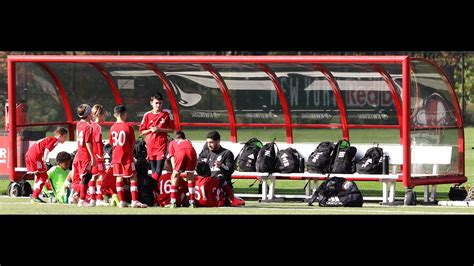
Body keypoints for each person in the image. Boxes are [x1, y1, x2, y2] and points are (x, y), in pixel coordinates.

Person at [109, 105, 147, 208]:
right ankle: (134, 201)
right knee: (133, 177)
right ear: (124, 114)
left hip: (116, 157)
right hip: (126, 157)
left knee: (119, 178)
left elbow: (112, 143)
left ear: (115, 115)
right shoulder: (128, 127)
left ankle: (122, 201)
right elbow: (132, 144)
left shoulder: (112, 127)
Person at [199, 130, 245, 207]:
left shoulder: (227, 153)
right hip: (209, 185)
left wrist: (221, 166)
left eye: (211, 142)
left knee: (220, 178)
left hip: (222, 187)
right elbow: (198, 164)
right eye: (207, 142)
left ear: (218, 141)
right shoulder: (206, 153)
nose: (209, 145)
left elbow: (230, 170)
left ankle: (232, 199)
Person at [25, 127, 68, 204]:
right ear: (60, 135)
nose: (65, 139)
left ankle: (35, 196)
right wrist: (45, 160)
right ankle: (35, 196)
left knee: (40, 175)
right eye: (65, 137)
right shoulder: (55, 140)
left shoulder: (50, 138)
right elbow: (47, 149)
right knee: (44, 176)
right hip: (35, 156)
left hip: (31, 155)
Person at [139, 92, 174, 181]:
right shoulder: (147, 115)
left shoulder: (166, 114)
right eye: (156, 103)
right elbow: (141, 132)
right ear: (151, 103)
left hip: (161, 145)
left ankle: (152, 186)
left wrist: (159, 129)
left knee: (158, 171)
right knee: (154, 171)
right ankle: (155, 190)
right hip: (150, 146)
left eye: (160, 103)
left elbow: (172, 130)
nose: (158, 105)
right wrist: (151, 130)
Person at [165, 131, 197, 208]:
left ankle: (173, 202)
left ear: (176, 137)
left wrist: (174, 171)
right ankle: (192, 202)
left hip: (180, 152)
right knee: (190, 176)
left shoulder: (172, 142)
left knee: (175, 176)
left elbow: (172, 156)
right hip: (192, 152)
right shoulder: (187, 141)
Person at [73, 104, 96, 207]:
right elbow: (88, 142)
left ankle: (78, 196)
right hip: (85, 154)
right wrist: (92, 156)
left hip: (80, 153)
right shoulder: (88, 126)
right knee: (86, 177)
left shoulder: (79, 124)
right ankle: (82, 199)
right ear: (88, 114)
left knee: (86, 176)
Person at [89, 104, 109, 207]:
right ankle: (99, 198)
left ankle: (92, 198)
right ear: (99, 115)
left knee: (93, 176)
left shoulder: (90, 125)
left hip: (92, 154)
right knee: (101, 176)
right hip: (97, 155)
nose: (105, 117)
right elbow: (97, 142)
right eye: (104, 115)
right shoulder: (97, 127)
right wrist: (100, 154)